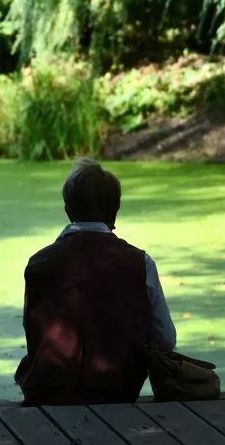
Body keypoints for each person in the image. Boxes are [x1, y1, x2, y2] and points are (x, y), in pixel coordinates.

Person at [15, 158, 177, 405]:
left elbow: (33, 334)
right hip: (118, 393)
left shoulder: (39, 263)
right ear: (116, 209)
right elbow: (165, 340)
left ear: (67, 209)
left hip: (48, 394)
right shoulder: (140, 263)